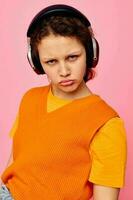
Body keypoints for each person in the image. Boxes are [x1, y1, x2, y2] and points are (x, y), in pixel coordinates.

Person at [0, 4, 127, 200]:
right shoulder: (30, 98)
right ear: (37, 62)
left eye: (72, 57)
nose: (64, 71)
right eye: (51, 61)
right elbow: (16, 161)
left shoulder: (106, 123)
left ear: (90, 53)